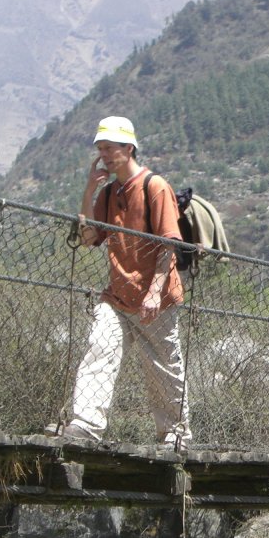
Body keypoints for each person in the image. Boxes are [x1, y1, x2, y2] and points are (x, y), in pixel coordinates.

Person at [49, 116, 191, 450]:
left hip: (157, 298)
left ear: (129, 148)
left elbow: (169, 244)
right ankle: (85, 426)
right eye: (100, 150)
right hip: (117, 295)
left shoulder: (154, 187)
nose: (104, 156)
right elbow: (88, 237)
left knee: (162, 366)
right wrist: (89, 189)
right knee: (99, 349)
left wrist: (155, 292)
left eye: (109, 149)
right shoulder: (109, 193)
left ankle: (175, 435)